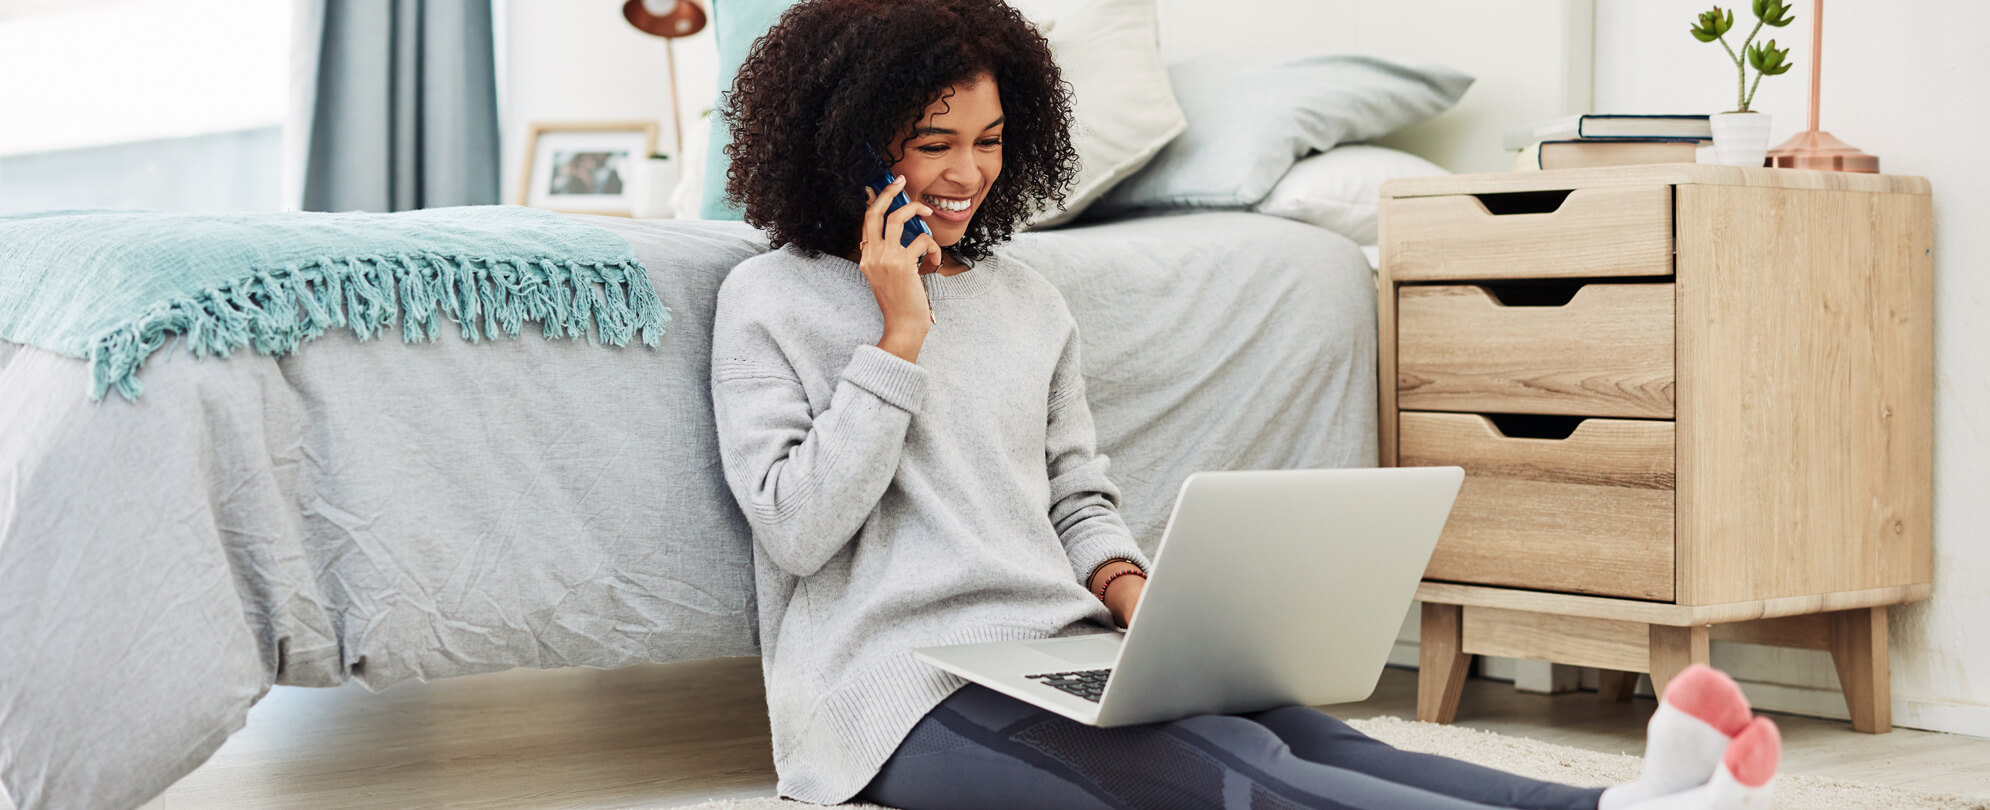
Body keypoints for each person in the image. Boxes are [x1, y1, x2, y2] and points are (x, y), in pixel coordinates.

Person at [707, 1, 1783, 808]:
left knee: (1310, 735)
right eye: (932, 144)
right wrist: (896, 341)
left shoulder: (1027, 300)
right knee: (1227, 775)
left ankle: (1628, 800)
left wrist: (1137, 592)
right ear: (853, 143)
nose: (966, 175)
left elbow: (1075, 495)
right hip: (898, 692)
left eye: (987, 142)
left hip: (1054, 641)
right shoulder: (771, 300)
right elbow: (798, 531)